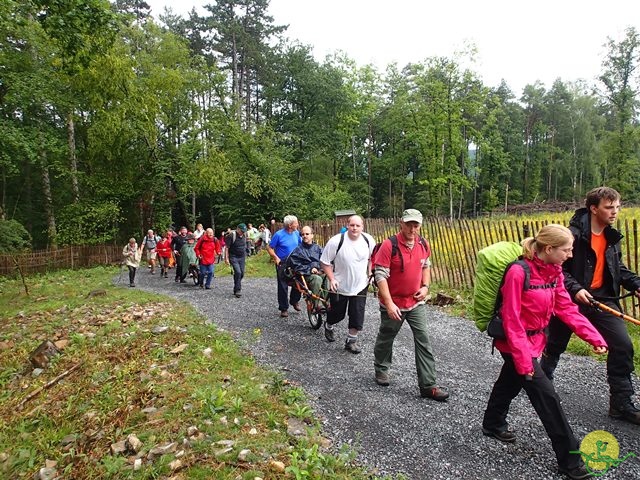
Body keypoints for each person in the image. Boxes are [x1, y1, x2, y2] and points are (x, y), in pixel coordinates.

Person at [482, 224, 608, 480]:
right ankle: (570, 462)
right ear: (549, 249)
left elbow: (566, 308)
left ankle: (492, 423)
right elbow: (512, 320)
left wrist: (593, 336)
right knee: (546, 397)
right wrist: (524, 361)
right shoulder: (518, 272)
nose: (570, 255)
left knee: (510, 381)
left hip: (535, 342)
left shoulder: (555, 272)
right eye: (566, 250)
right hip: (514, 343)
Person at [540, 187, 640, 425]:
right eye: (609, 207)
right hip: (569, 299)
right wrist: (575, 289)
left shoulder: (612, 237)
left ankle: (621, 403)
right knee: (554, 345)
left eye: (617, 206)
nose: (615, 212)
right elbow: (557, 269)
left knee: (623, 345)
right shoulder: (572, 235)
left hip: (602, 300)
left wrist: (636, 283)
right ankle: (542, 386)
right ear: (593, 209)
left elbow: (618, 268)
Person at [372, 209, 449, 401]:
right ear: (401, 223)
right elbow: (380, 275)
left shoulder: (423, 244)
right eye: (409, 224)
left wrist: (425, 287)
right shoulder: (389, 245)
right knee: (387, 336)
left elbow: (426, 265)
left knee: (423, 339)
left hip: (415, 302)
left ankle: (428, 385)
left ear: (420, 225)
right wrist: (389, 304)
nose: (412, 229)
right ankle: (381, 369)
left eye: (416, 225)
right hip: (394, 302)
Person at [320, 215, 375, 353]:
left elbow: (372, 259)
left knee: (357, 314)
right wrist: (332, 278)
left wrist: (370, 272)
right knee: (337, 314)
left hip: (361, 284)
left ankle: (351, 341)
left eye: (358, 225)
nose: (355, 228)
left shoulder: (368, 240)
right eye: (352, 225)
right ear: (347, 226)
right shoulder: (336, 241)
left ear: (362, 227)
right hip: (340, 285)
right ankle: (329, 324)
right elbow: (325, 262)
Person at [284, 225, 328, 308]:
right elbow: (296, 266)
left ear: (312, 235)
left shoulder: (318, 248)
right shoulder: (298, 250)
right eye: (303, 234)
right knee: (317, 279)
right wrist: (310, 269)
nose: (305, 236)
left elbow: (324, 261)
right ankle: (317, 304)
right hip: (304, 275)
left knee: (328, 277)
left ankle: (326, 300)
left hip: (318, 272)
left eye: (307, 234)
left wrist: (318, 268)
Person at [267, 215, 302, 317]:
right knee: (283, 285)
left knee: (298, 281)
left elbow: (300, 246)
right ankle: (283, 308)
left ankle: (294, 301)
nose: (298, 224)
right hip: (282, 262)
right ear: (290, 225)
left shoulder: (296, 234)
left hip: (295, 261)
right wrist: (275, 257)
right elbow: (269, 248)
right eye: (296, 222)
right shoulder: (278, 235)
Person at [225, 223, 248, 297]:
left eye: (244, 231)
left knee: (242, 273)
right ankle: (238, 290)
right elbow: (227, 248)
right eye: (241, 231)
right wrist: (226, 258)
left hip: (242, 257)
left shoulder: (245, 235)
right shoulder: (232, 236)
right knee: (238, 272)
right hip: (233, 256)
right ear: (238, 229)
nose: (243, 232)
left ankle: (236, 286)